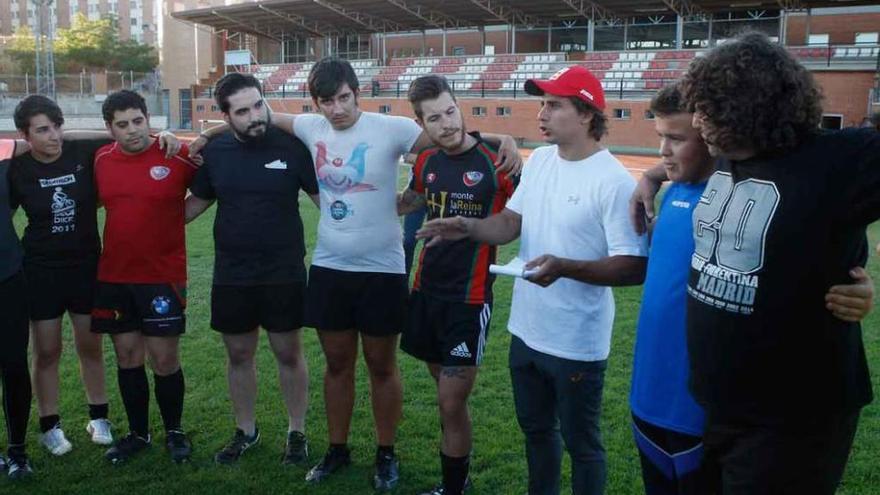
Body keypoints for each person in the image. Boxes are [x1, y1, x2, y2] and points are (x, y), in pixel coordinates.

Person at [191, 56, 520, 491]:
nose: (337, 109)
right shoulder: (311, 128)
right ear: (316, 103)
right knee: (336, 365)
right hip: (330, 267)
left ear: (357, 94)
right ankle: (337, 449)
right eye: (327, 102)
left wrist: (506, 138)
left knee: (382, 366)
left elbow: (453, 136)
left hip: (383, 268)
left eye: (344, 98)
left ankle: (386, 453)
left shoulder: (392, 130)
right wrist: (206, 135)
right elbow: (259, 115)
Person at [629, 32, 879, 495]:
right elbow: (680, 155)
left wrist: (864, 286)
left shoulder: (842, 161)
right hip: (720, 410)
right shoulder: (734, 151)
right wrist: (647, 176)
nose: (700, 120)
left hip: (791, 419)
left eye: (710, 108)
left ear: (751, 109)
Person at [417, 65, 648, 495]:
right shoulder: (540, 160)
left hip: (576, 342)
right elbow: (508, 224)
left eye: (554, 104)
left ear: (586, 114)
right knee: (537, 434)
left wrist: (565, 266)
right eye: (542, 103)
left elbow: (633, 266)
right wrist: (466, 227)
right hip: (526, 332)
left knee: (583, 446)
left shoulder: (613, 180)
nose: (541, 113)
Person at [185, 73, 319, 466]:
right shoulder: (217, 151)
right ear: (226, 117)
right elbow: (196, 203)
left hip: (284, 268)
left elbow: (324, 200)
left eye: (258, 104)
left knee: (288, 352)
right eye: (242, 111)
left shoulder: (293, 147)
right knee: (239, 354)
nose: (254, 116)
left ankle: (297, 431)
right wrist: (148, 225)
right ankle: (246, 430)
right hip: (233, 272)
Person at [397, 75, 516, 495]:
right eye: (434, 118)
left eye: (450, 112)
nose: (446, 124)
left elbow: (515, 223)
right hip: (426, 293)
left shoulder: (495, 162)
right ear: (421, 123)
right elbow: (411, 199)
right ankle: (454, 484)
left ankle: (453, 490)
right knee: (443, 398)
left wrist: (470, 226)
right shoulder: (425, 163)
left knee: (451, 401)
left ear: (458, 106)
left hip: (469, 300)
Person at [92, 90, 196, 464]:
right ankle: (138, 433)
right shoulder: (100, 159)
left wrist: (179, 218)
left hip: (162, 276)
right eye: (122, 125)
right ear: (110, 129)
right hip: (116, 277)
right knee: (127, 357)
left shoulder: (176, 154)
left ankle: (174, 431)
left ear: (148, 119)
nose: (133, 131)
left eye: (138, 121)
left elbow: (210, 184)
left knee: (165, 359)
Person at [0, 139, 34, 479]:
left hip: (7, 276)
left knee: (13, 365)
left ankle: (17, 451)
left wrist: (163, 138)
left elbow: (60, 137)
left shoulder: (3, 150)